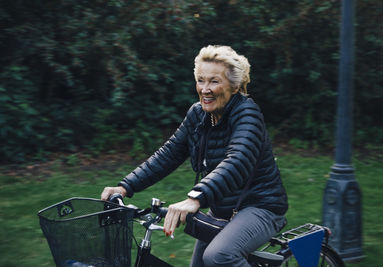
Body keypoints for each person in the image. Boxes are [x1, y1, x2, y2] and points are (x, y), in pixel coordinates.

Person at [101, 45, 288, 267]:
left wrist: (195, 198)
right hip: (223, 208)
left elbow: (237, 161)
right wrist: (125, 187)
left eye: (214, 81)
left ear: (235, 86)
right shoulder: (198, 114)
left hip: (261, 207)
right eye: (201, 80)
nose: (205, 89)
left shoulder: (247, 114)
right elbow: (167, 155)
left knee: (218, 257)